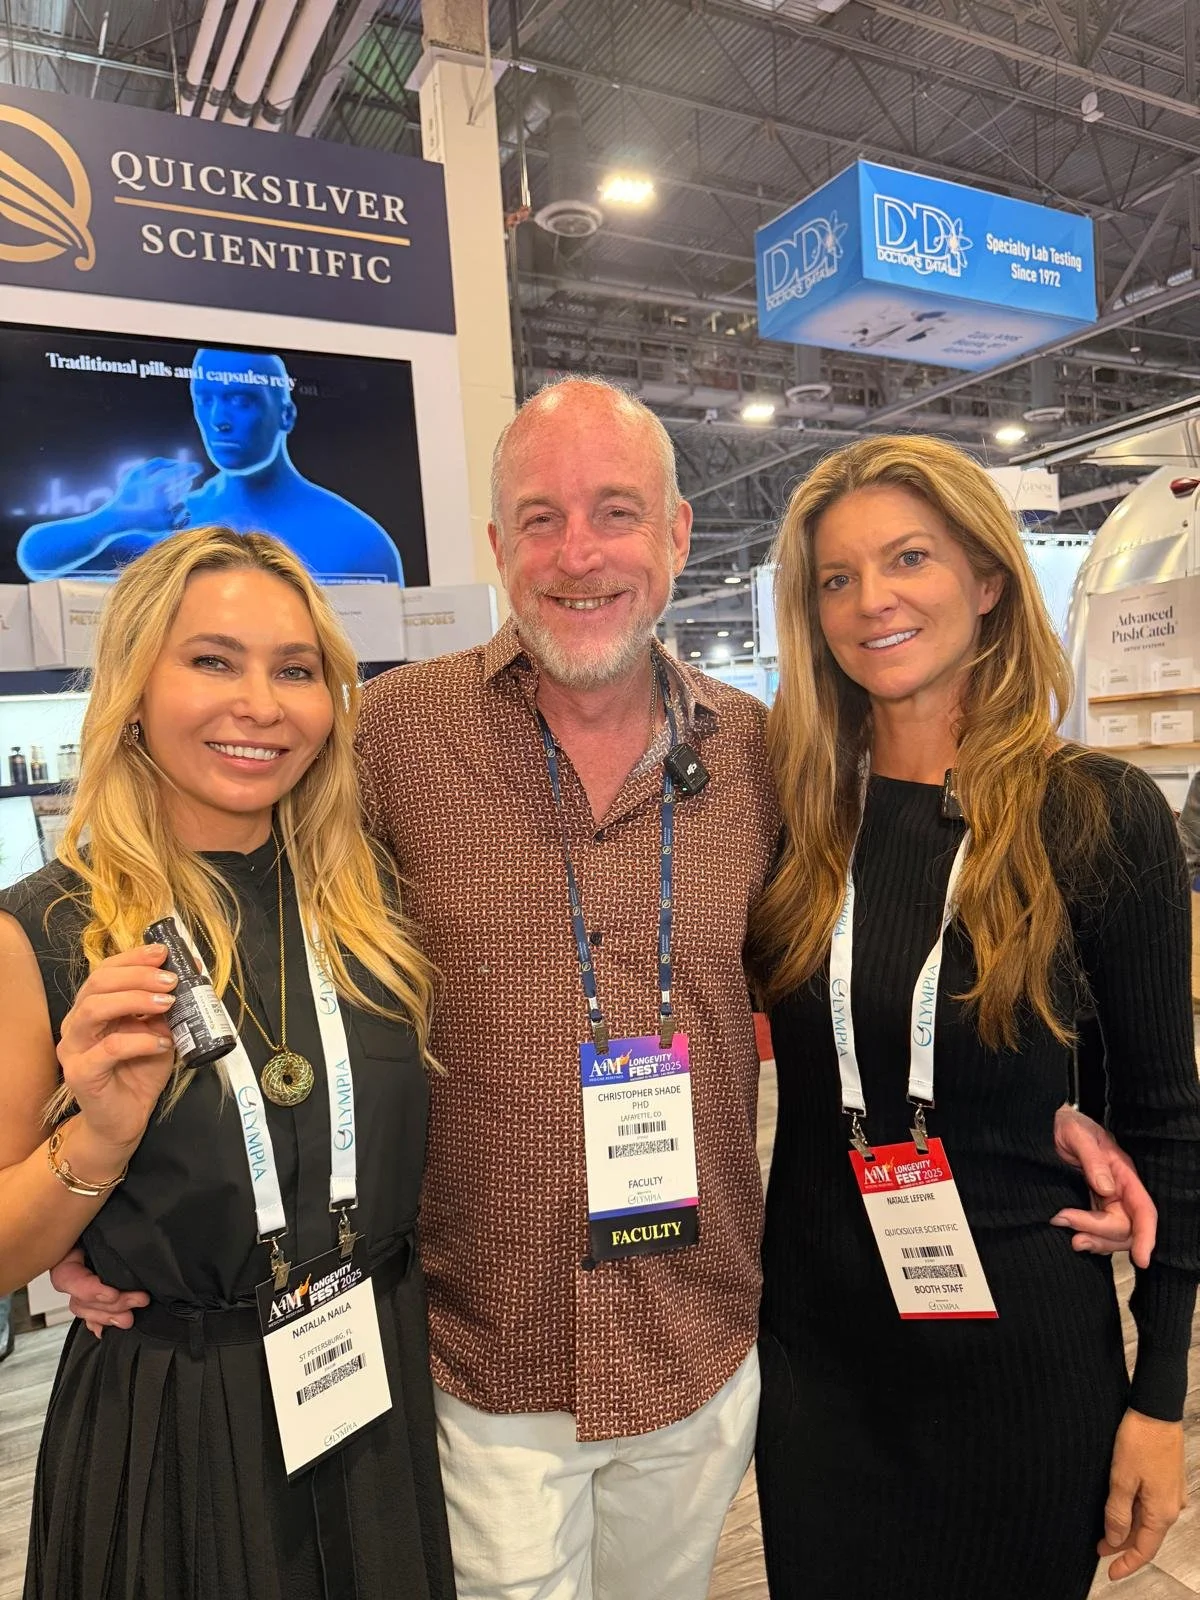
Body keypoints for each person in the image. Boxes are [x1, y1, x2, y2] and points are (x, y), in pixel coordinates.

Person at [58, 381, 1159, 1600]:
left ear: (679, 536)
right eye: (540, 519)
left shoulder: (766, 758)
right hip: (483, 1357)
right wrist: (106, 1197)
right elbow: (239, 924)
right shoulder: (385, 740)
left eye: (616, 512)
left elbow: (898, 968)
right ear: (494, 549)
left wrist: (1082, 1112)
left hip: (701, 1341)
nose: (578, 554)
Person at [750, 434, 1200, 1600]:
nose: (872, 600)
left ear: (989, 580)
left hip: (1019, 1355)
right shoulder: (793, 813)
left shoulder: (1095, 816)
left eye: (910, 558)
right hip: (820, 1363)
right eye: (837, 577)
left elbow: (1165, 1123)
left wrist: (1160, 1404)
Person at [0, 527, 453, 1599]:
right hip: (173, 1419)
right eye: (212, 659)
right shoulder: (50, 932)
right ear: (135, 688)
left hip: (370, 1380)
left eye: (295, 670)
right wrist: (99, 1139)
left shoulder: (374, 899)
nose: (260, 702)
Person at [18, 348, 405, 583]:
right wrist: (114, 518)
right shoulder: (170, 520)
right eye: (205, 398)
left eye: (242, 400)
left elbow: (379, 679)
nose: (219, 419)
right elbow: (36, 560)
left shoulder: (357, 537)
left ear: (285, 414)